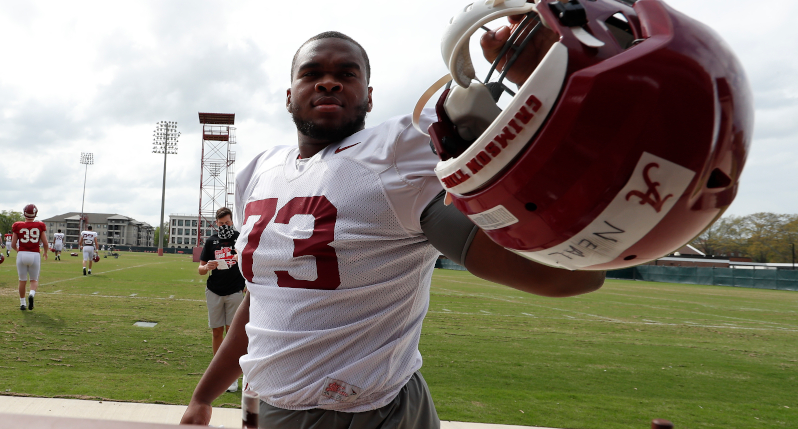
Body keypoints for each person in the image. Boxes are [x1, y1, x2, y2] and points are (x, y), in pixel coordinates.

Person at [181, 32, 605, 428]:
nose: (328, 83)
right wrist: (203, 396)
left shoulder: (397, 157)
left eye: (346, 74)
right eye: (312, 74)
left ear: (368, 96)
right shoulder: (257, 172)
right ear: (289, 95)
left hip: (372, 410)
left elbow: (565, 275)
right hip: (274, 405)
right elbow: (262, 302)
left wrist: (558, 93)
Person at [198, 207, 247, 393]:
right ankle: (218, 372)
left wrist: (239, 256)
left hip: (235, 291)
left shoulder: (240, 238)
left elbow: (249, 259)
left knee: (232, 333)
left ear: (232, 221)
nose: (224, 226)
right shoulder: (211, 241)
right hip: (214, 291)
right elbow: (201, 269)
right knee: (217, 331)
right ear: (216, 224)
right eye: (221, 224)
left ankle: (232, 376)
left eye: (227, 223)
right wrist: (207, 266)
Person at [12, 204, 48, 311]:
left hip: (22, 254)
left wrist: (19, 251)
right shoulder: (39, 225)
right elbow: (45, 243)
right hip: (35, 255)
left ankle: (22, 303)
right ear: (35, 213)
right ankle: (31, 294)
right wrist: (45, 252)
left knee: (22, 280)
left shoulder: (17, 225)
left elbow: (13, 244)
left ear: (24, 213)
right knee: (33, 280)